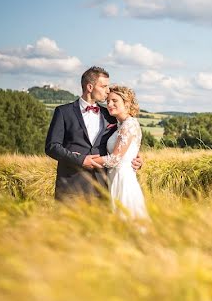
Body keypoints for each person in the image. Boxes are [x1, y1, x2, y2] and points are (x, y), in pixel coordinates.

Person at [44, 66, 142, 201]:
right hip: (71, 187)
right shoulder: (63, 112)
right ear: (90, 87)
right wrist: (80, 160)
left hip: (102, 188)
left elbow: (124, 142)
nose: (108, 91)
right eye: (104, 86)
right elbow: (52, 147)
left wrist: (136, 159)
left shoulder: (110, 115)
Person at [91, 85, 149, 219]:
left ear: (127, 103)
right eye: (108, 101)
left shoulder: (129, 124)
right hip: (113, 178)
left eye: (114, 101)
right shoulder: (120, 125)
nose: (109, 104)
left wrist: (86, 160)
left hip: (123, 180)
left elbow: (114, 159)